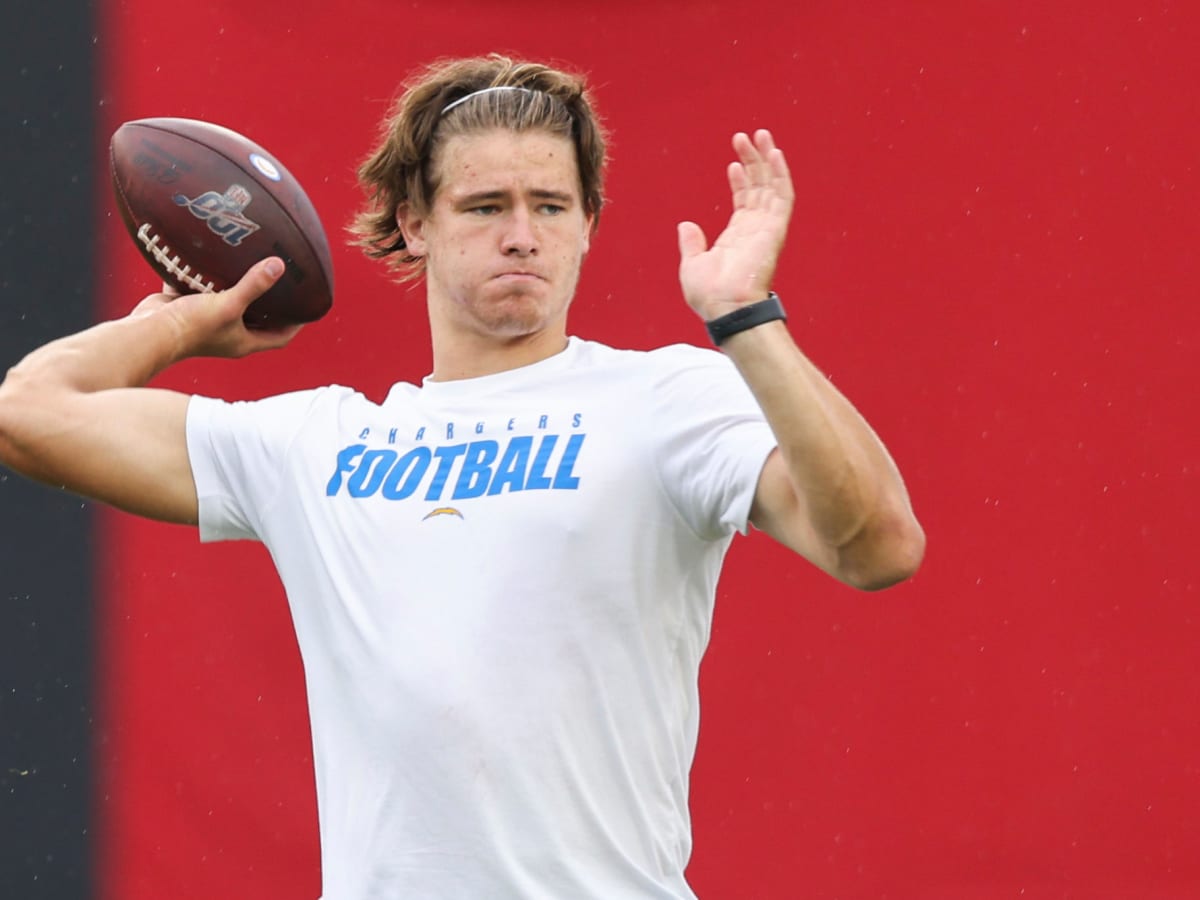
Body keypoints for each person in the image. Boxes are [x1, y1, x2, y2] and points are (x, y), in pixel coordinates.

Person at [0, 54, 924, 899]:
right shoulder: (318, 445)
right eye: (485, 207)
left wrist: (745, 317)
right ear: (416, 224)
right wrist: (186, 321)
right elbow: (27, 415)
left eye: (551, 206)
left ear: (589, 224)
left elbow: (877, 547)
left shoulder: (668, 397)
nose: (522, 235)